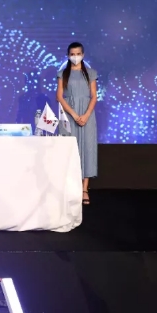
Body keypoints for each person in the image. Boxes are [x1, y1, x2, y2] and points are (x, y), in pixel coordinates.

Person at [56, 41, 98, 205]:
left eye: (78, 54)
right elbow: (59, 97)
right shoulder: (62, 73)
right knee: (69, 149)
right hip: (69, 115)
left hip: (87, 115)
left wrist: (86, 115)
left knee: (87, 148)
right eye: (72, 54)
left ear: (83, 55)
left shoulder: (91, 73)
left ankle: (84, 189)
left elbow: (94, 96)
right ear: (68, 56)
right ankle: (70, 188)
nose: (75, 57)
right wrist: (74, 114)